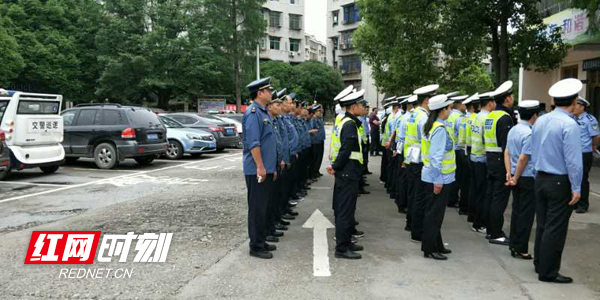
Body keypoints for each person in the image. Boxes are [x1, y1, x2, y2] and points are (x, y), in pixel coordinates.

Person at [531, 78, 583, 284]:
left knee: (543, 224)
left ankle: (539, 263)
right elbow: (574, 162)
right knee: (556, 227)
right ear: (575, 101)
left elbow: (533, 150)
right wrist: (577, 187)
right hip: (559, 181)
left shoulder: (542, 120)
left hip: (541, 177)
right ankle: (549, 271)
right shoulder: (569, 125)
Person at [326, 89, 367, 260]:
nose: (363, 108)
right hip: (347, 172)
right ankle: (342, 248)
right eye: (361, 105)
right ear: (354, 106)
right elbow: (346, 149)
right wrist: (336, 166)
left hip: (347, 172)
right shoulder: (349, 123)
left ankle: (347, 241)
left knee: (347, 210)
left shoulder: (345, 121)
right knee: (345, 210)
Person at [242, 77, 278, 259]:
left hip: (266, 168)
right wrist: (261, 167)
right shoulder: (253, 113)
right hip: (256, 170)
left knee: (264, 207)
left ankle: (261, 240)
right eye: (268, 90)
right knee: (257, 208)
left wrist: (271, 167)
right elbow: (254, 143)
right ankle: (255, 246)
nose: (271, 93)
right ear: (260, 93)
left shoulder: (263, 113)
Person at [421, 94, 455, 260]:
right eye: (449, 107)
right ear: (443, 110)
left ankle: (437, 244)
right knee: (434, 215)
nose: (451, 110)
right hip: (438, 178)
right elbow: (436, 158)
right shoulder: (439, 129)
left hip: (432, 176)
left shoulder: (432, 126)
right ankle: (430, 248)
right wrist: (438, 180)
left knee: (435, 213)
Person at [504, 100, 540, 260]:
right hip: (525, 177)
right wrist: (516, 177)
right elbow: (524, 158)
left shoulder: (514, 129)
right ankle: (521, 248)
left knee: (517, 211)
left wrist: (509, 174)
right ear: (535, 115)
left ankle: (514, 244)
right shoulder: (530, 133)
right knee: (525, 214)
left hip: (514, 175)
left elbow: (507, 152)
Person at [485, 80, 515, 246]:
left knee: (491, 196)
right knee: (499, 198)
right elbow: (507, 147)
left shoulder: (491, 115)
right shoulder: (505, 118)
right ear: (507, 99)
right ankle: (496, 233)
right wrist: (509, 169)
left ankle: (490, 230)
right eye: (511, 96)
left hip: (490, 158)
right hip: (500, 161)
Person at [406, 84, 437, 243]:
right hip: (420, 160)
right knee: (420, 196)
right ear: (427, 100)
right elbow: (426, 140)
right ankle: (417, 229)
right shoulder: (424, 117)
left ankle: (411, 224)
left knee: (414, 193)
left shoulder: (413, 114)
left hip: (412, 157)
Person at [469, 91, 495, 234]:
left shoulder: (476, 117)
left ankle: (473, 218)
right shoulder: (487, 118)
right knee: (483, 193)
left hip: (474, 156)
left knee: (476, 190)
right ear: (490, 103)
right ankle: (479, 223)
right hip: (483, 158)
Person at [573, 97, 600, 214]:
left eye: (576, 104)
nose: (574, 106)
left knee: (583, 179)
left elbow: (596, 136)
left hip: (584, 153)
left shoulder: (590, 119)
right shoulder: (571, 118)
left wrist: (593, 146)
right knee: (572, 178)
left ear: (582, 107)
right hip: (572, 153)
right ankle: (574, 201)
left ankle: (583, 205)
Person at [446, 95, 468, 208]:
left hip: (450, 149)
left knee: (451, 175)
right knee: (458, 177)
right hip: (458, 150)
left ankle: (450, 198)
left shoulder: (449, 115)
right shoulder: (460, 118)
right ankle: (453, 199)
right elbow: (462, 136)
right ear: (460, 105)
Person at [463, 94, 480, 222]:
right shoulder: (477, 118)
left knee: (470, 182)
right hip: (476, 151)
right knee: (473, 184)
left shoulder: (466, 118)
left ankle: (467, 209)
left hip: (468, 149)